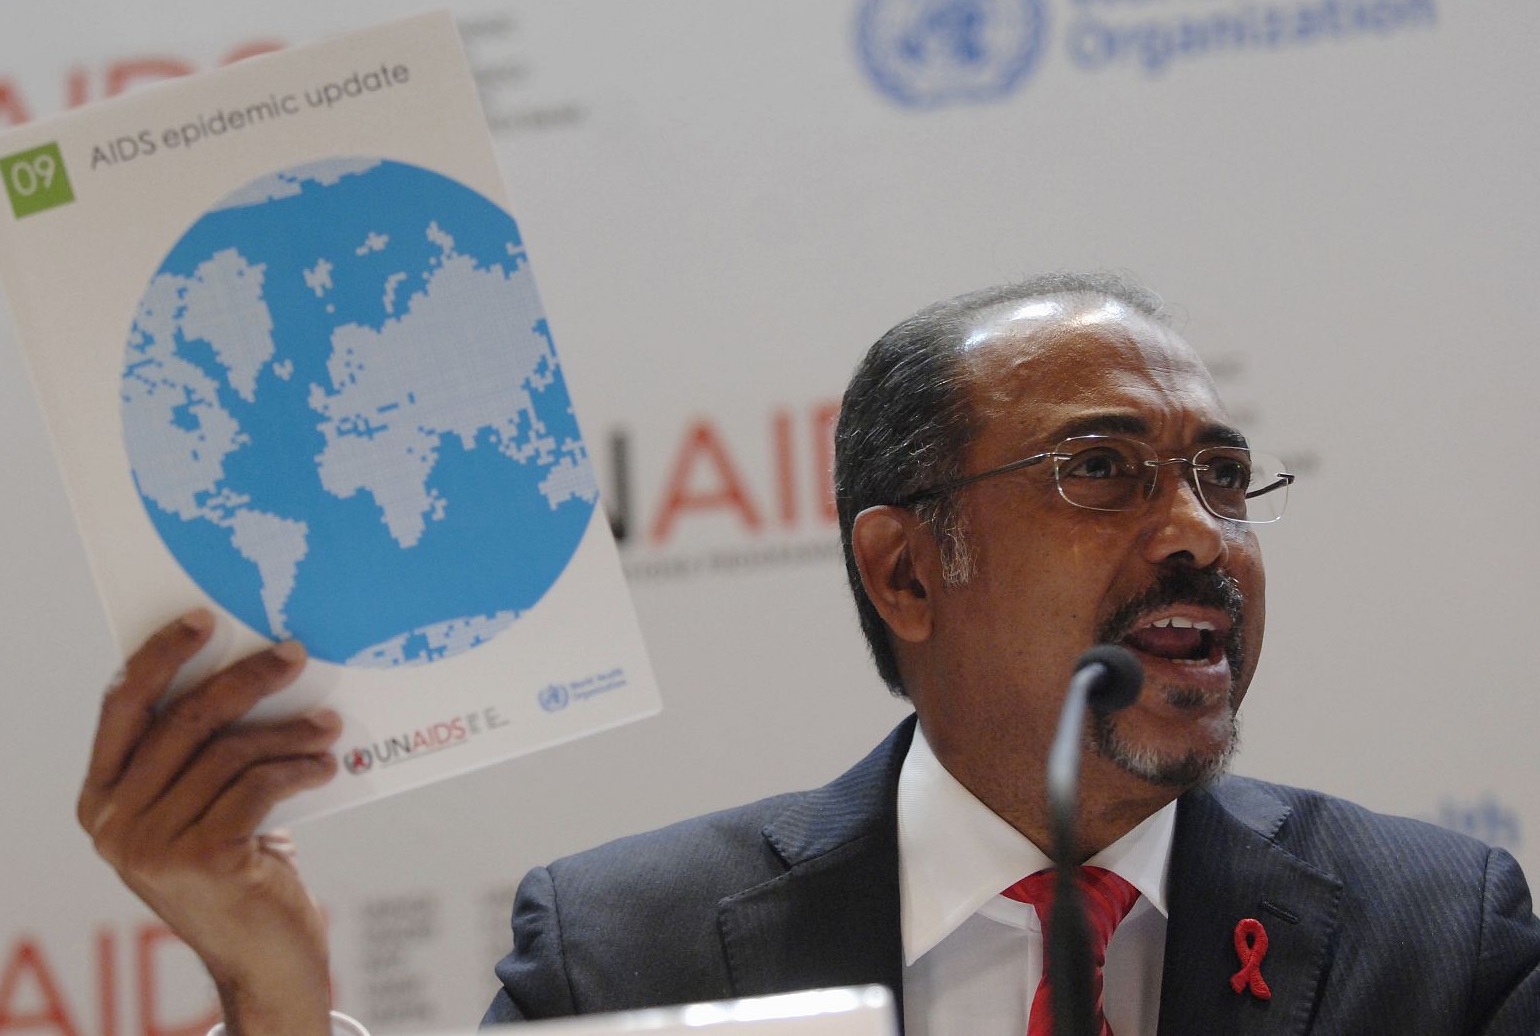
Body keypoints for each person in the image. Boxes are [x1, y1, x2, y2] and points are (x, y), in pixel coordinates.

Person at [79, 274, 1540, 1034]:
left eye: (1223, 478)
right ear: (906, 570)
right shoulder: (629, 954)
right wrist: (269, 998)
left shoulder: (1435, 938)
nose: (1200, 536)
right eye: (1103, 471)